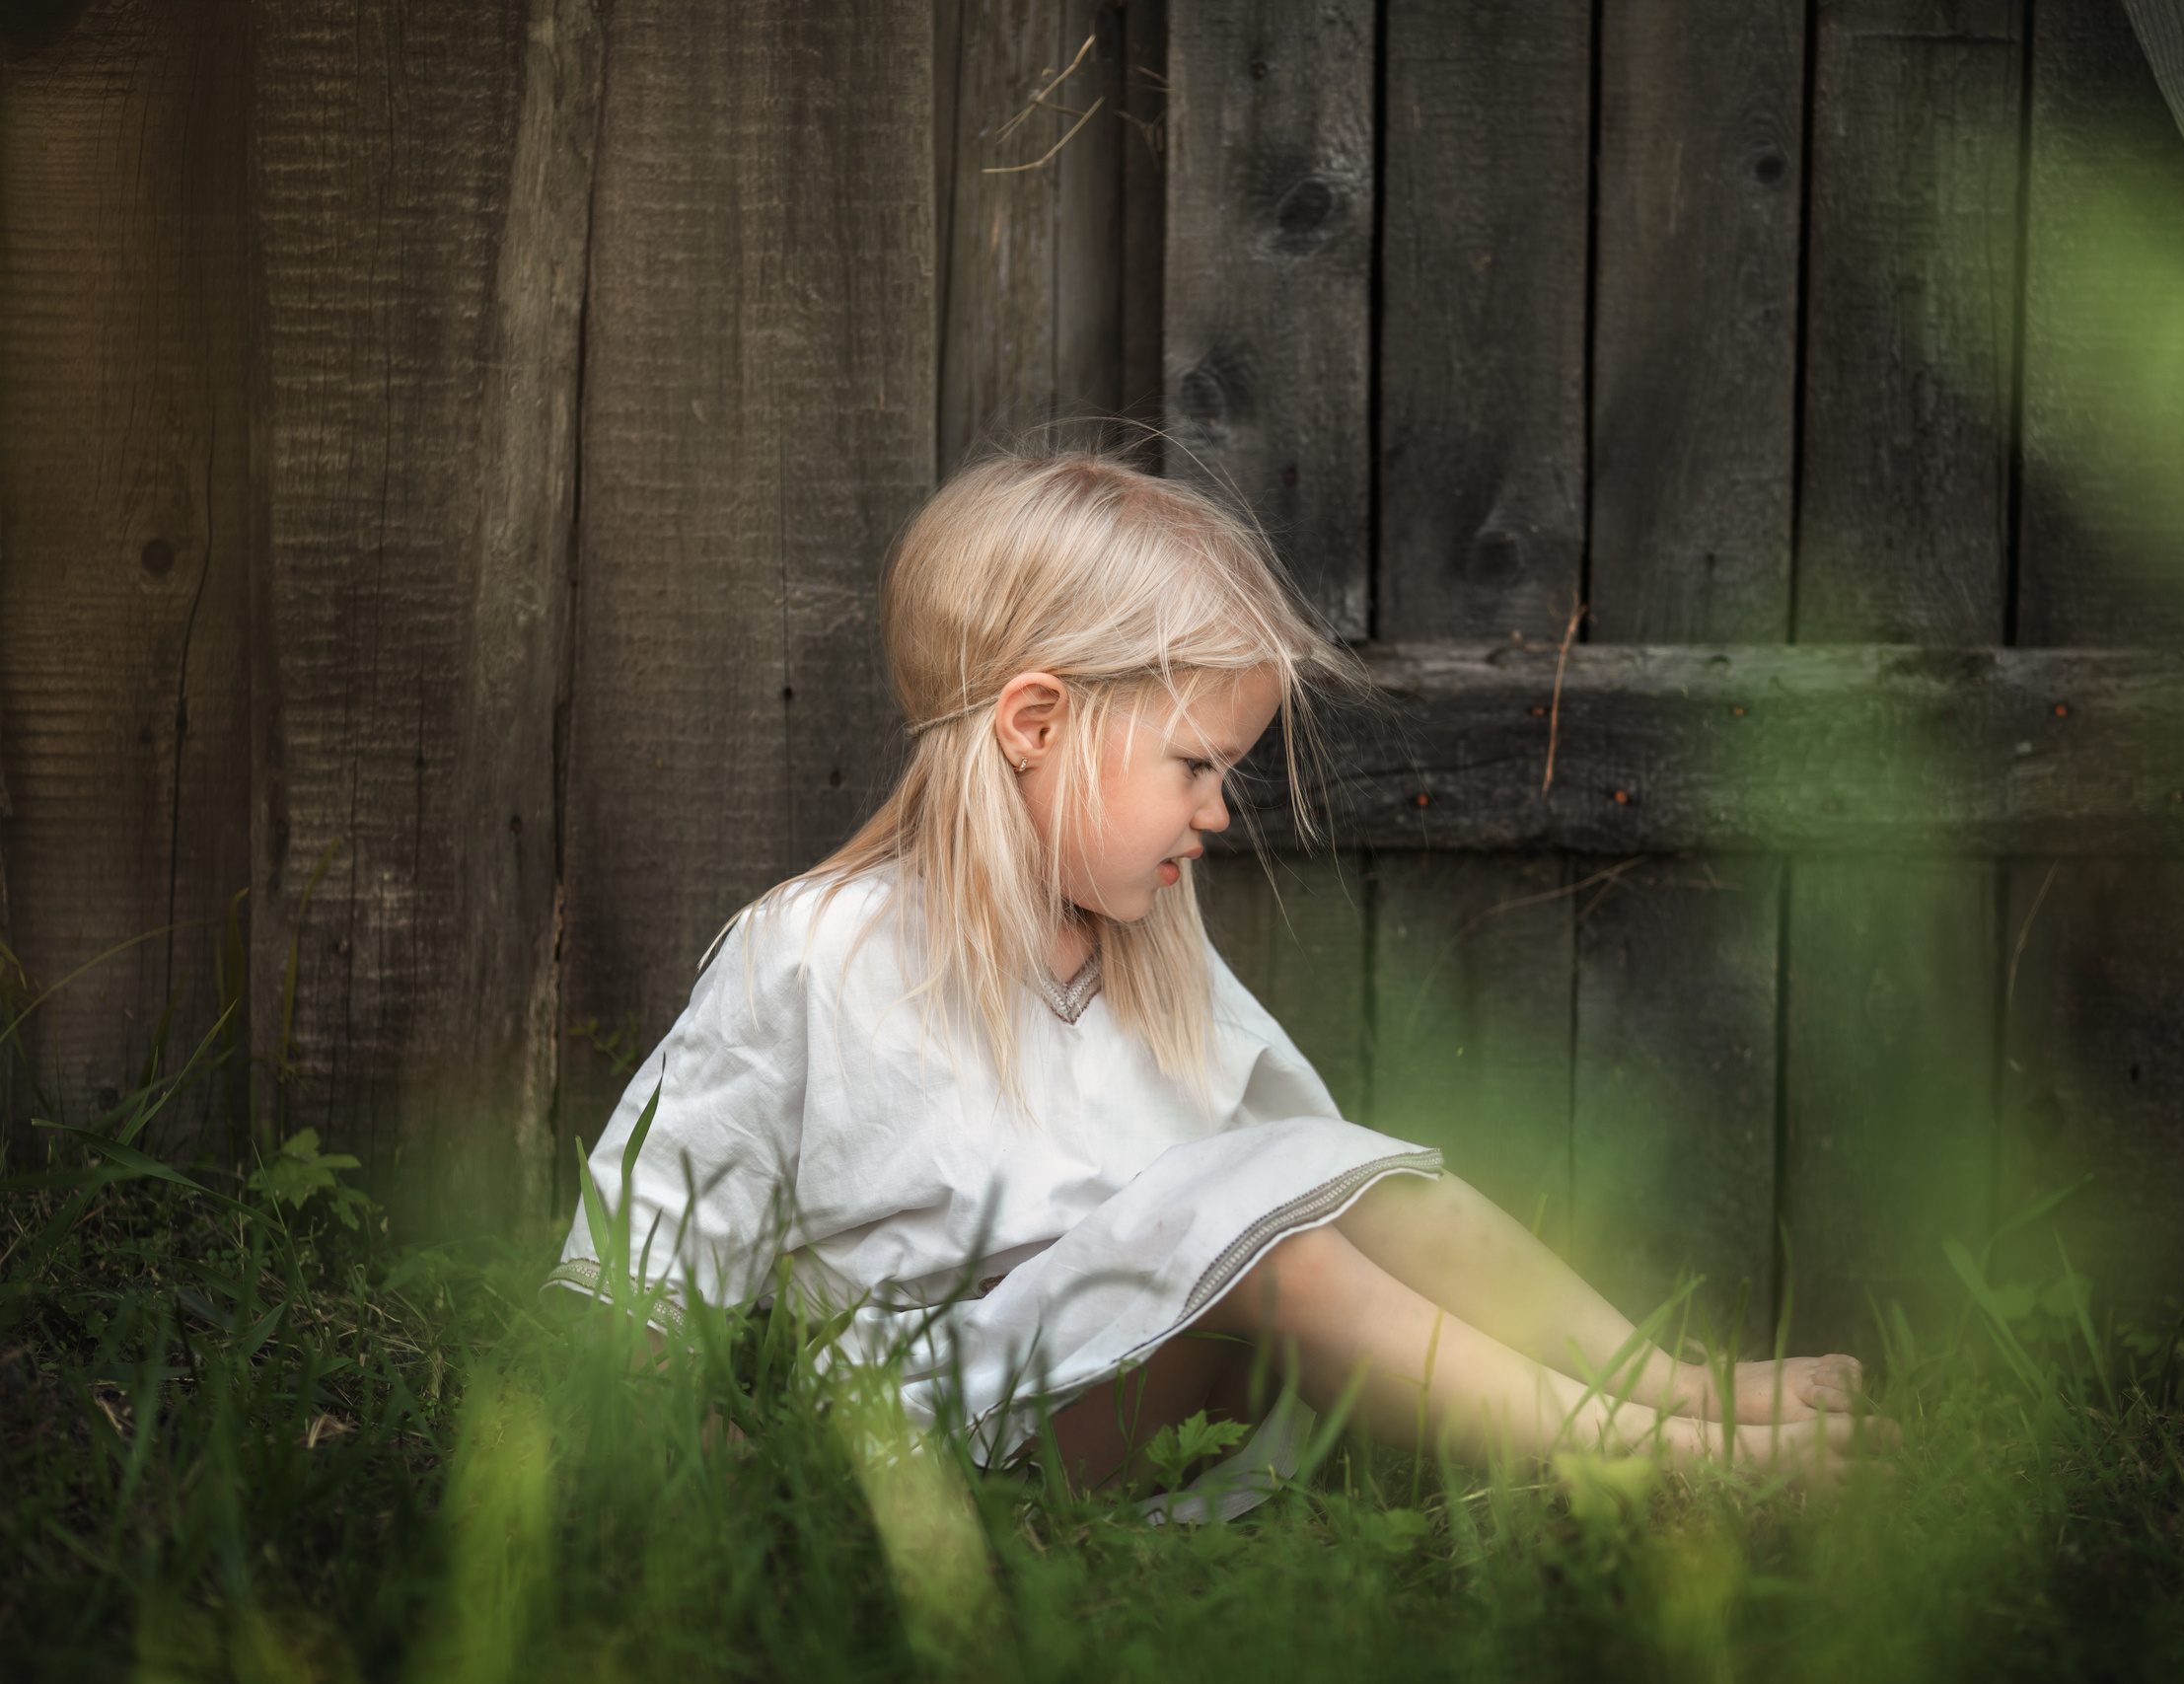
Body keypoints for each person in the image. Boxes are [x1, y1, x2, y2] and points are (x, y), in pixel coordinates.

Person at [550, 448, 1890, 1511]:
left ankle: (1670, 1387)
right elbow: (643, 1251)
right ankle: (1654, 1463)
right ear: (1034, 723)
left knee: (1373, 1183)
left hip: (1164, 1368)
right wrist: (696, 1445)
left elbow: (1308, 1174)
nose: (1216, 814)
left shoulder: (1152, 948)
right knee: (1282, 1239)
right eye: (1195, 767)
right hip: (956, 1430)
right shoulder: (813, 951)